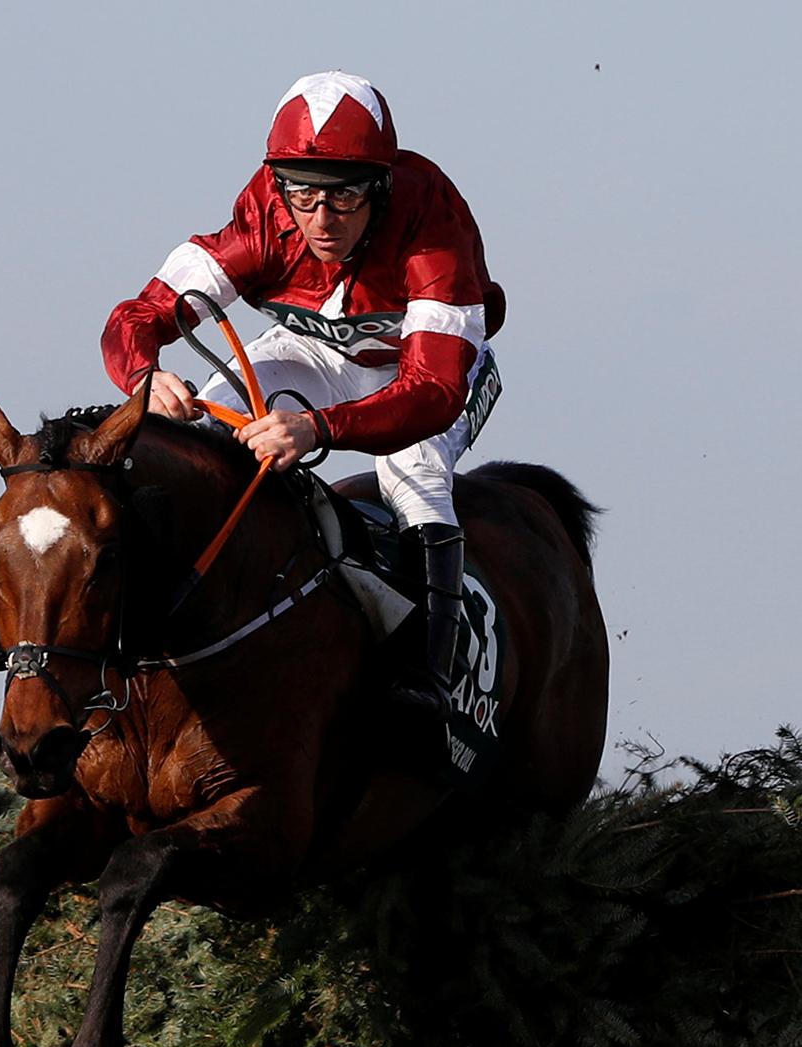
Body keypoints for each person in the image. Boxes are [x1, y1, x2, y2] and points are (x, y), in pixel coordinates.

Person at [102, 69, 507, 722]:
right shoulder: (264, 213)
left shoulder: (431, 220)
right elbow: (135, 317)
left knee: (414, 474)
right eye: (302, 195)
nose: (321, 221)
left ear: (381, 187)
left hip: (429, 373)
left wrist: (317, 429)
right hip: (315, 356)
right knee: (203, 435)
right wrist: (142, 379)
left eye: (344, 198)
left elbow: (432, 391)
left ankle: (429, 681)